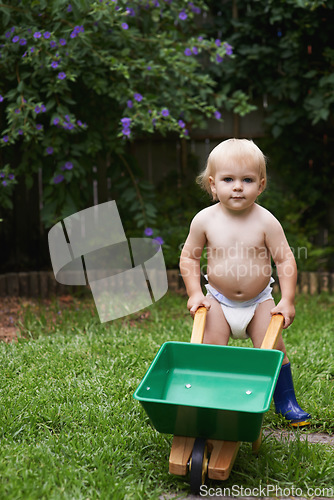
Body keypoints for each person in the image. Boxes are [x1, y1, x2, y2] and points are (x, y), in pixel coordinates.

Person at [179, 138, 310, 426]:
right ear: (213, 185)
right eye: (228, 179)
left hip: (258, 301)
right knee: (211, 349)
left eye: (247, 179)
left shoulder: (266, 222)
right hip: (218, 301)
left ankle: (286, 400)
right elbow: (189, 258)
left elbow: (285, 260)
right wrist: (194, 293)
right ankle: (212, 397)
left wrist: (286, 300)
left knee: (274, 350)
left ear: (260, 185)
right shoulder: (204, 220)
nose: (238, 186)